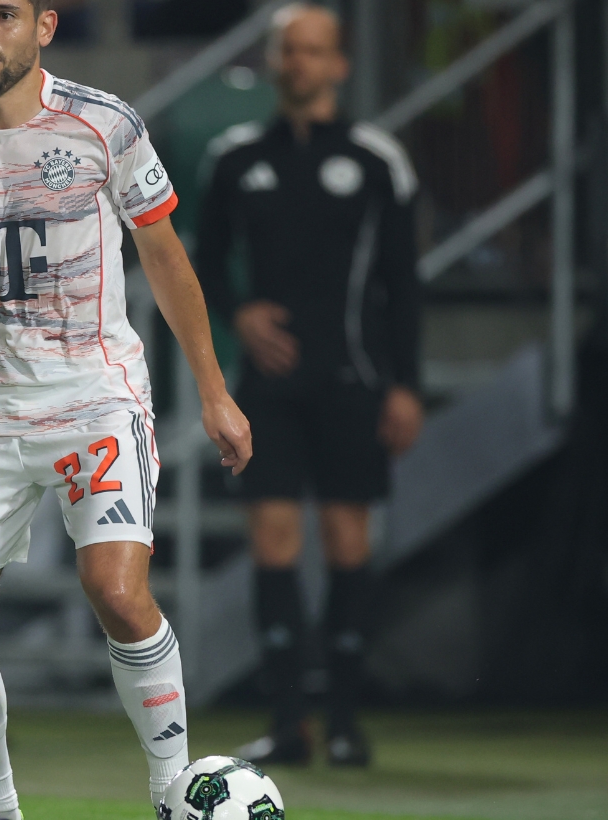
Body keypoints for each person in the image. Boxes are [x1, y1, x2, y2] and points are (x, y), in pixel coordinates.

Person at [0, 2, 253, 818]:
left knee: (115, 591)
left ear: (43, 26)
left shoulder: (104, 125)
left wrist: (214, 391)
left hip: (95, 398)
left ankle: (172, 793)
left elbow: (165, 257)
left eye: (4, 14)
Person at [194, 3, 422, 767]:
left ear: (338, 64)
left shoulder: (375, 158)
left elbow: (401, 282)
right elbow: (197, 264)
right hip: (268, 387)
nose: (298, 63)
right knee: (273, 541)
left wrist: (406, 385)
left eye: (313, 50)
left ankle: (348, 722)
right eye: (287, 50)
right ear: (272, 61)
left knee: (347, 539)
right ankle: (290, 724)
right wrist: (240, 314)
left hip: (354, 378)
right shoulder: (233, 157)